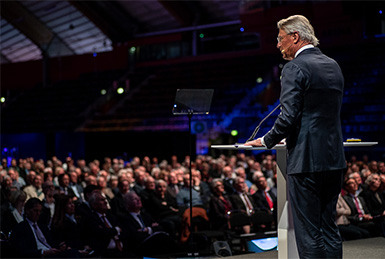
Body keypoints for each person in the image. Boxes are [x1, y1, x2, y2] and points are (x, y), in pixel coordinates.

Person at [245, 15, 346, 258]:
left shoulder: (294, 67)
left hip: (306, 161)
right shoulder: (333, 64)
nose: (278, 45)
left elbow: (288, 116)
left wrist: (267, 140)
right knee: (329, 228)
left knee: (309, 232)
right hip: (334, 159)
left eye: (280, 39)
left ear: (295, 37)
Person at [10, 198, 81, 258]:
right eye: (35, 211)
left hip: (51, 253)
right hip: (40, 255)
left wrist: (60, 247)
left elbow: (51, 243)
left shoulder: (43, 227)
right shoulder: (20, 228)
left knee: (74, 252)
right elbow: (21, 251)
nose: (38, 214)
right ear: (27, 210)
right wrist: (42, 252)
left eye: (40, 211)